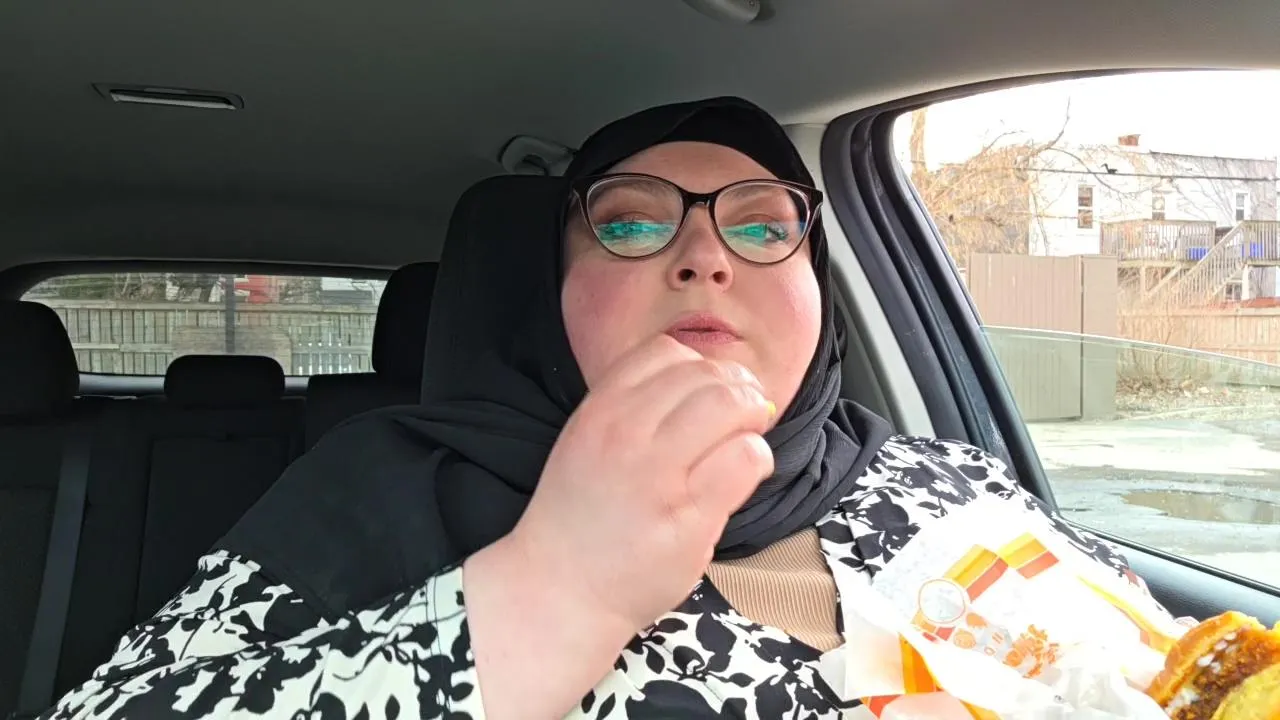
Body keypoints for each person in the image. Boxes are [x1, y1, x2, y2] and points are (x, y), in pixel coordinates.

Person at [44, 97, 1154, 719]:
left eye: (763, 225)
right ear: (550, 295)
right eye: (629, 222)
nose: (706, 257)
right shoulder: (381, 494)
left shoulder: (941, 476)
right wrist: (554, 590)